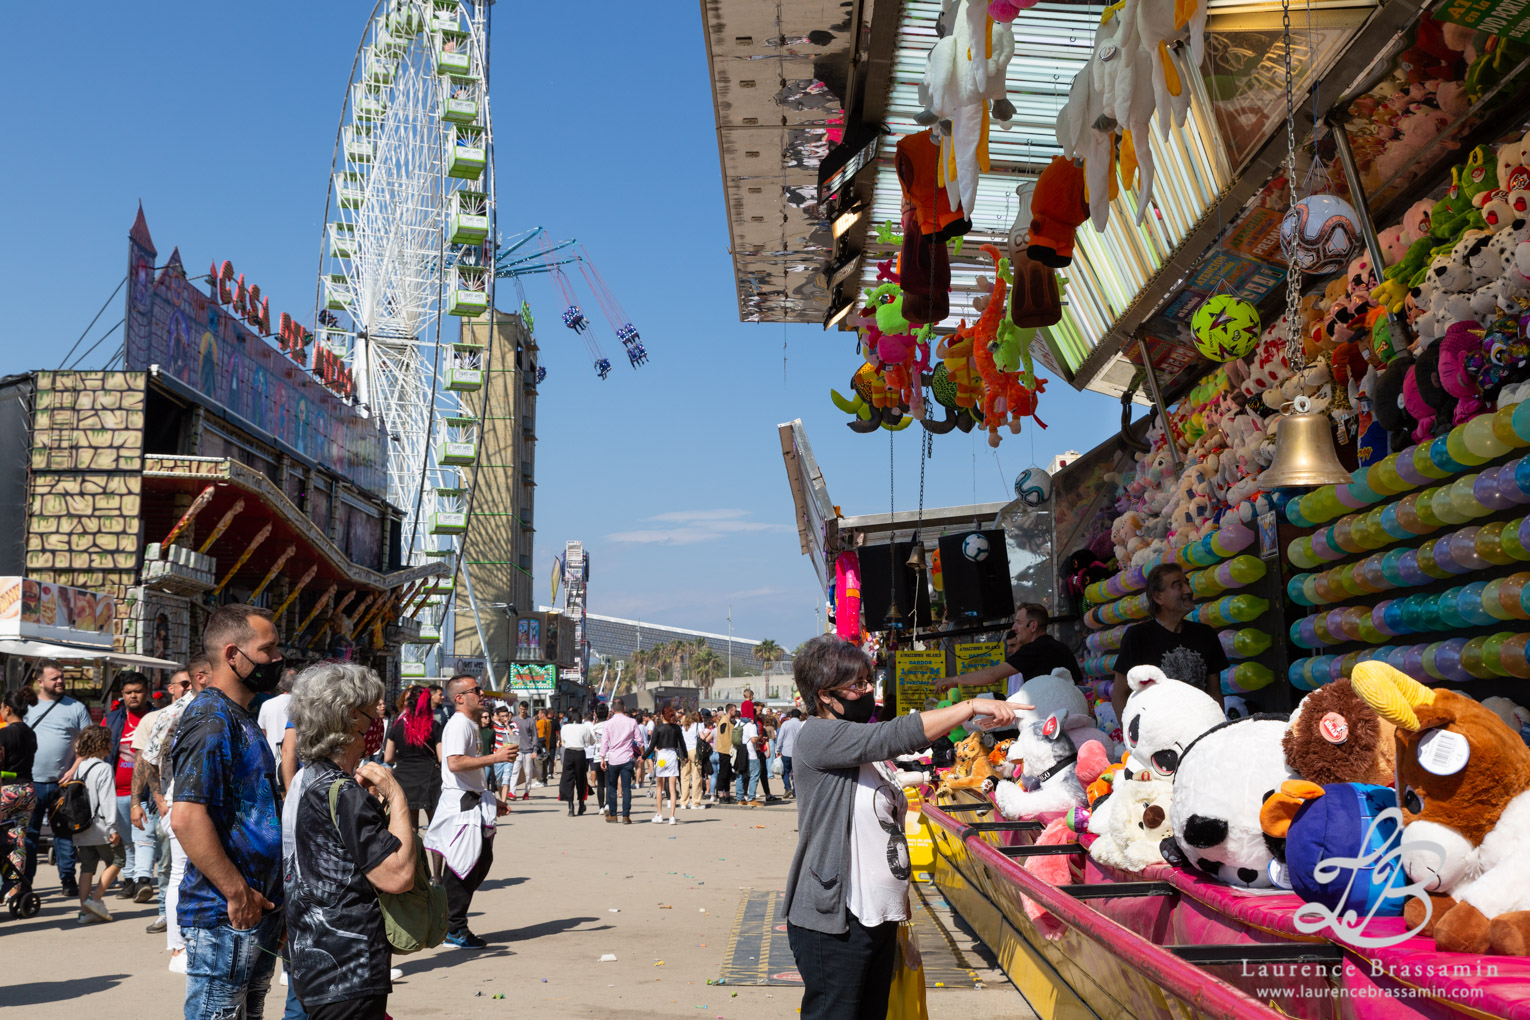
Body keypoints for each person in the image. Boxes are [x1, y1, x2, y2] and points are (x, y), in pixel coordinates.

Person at [785, 635, 1021, 1019]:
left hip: (878, 919)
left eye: (868, 680)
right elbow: (894, 734)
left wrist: (900, 922)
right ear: (825, 696)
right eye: (856, 685)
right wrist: (970, 706)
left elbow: (884, 837)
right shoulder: (818, 736)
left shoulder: (867, 756)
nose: (867, 692)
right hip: (836, 921)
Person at [284, 662, 417, 1020]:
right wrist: (397, 797)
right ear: (347, 718)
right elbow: (397, 875)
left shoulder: (310, 778)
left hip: (315, 962)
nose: (376, 723)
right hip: (349, 966)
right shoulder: (341, 791)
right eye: (370, 713)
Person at [171, 604, 286, 1019]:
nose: (276, 660)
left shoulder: (242, 716)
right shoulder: (211, 718)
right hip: (226, 911)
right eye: (267, 650)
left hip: (258, 907)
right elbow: (185, 816)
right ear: (233, 655)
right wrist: (235, 891)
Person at [426, 675, 515, 949]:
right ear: (460, 698)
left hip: (473, 801)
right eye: (477, 690)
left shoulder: (470, 725)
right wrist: (496, 758)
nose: (482, 694)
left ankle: (451, 922)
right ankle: (453, 928)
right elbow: (454, 763)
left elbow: (470, 768)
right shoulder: (458, 725)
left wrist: (489, 796)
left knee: (478, 863)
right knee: (464, 867)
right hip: (462, 807)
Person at [137, 657, 212, 966]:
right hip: (180, 801)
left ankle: (194, 944)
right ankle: (178, 947)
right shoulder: (175, 712)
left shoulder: (217, 707)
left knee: (200, 874)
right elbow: (148, 758)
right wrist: (158, 797)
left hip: (204, 801)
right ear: (202, 677)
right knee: (181, 873)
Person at [1111, 563, 1229, 719]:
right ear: (1158, 596)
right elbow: (1119, 695)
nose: (1188, 590)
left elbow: (1215, 692)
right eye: (1178, 586)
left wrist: (1217, 728)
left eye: (1186, 583)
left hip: (1201, 732)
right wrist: (1133, 739)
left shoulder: (1206, 635)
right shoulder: (1138, 637)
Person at [23, 659, 93, 896]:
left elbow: (89, 744)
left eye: (61, 677)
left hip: (63, 784)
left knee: (64, 834)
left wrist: (74, 769)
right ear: (40, 682)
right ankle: (25, 883)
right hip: (29, 782)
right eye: (54, 678)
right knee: (29, 837)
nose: (60, 681)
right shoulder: (26, 707)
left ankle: (68, 881)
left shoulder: (76, 708)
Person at [131, 667, 192, 936]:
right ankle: (164, 916)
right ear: (171, 688)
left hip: (189, 801)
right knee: (169, 864)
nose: (188, 688)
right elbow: (143, 762)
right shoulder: (157, 718)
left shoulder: (199, 713)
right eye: (184, 683)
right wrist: (142, 800)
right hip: (164, 801)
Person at [935, 603, 1083, 698]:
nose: (1014, 628)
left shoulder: (1032, 650)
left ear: (1033, 626)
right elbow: (1080, 684)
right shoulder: (1063, 648)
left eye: (1018, 623)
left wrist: (955, 679)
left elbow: (993, 674)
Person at [104, 671, 153, 902]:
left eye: (138, 691)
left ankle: (144, 880)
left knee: (143, 836)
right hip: (115, 792)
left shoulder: (157, 717)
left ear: (147, 693)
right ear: (122, 695)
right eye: (128, 692)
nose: (133, 696)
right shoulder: (112, 719)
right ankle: (130, 880)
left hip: (146, 791)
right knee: (126, 841)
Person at [70, 724, 124, 923]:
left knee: (87, 867)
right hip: (101, 826)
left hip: (82, 828)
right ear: (101, 744)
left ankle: (85, 911)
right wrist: (113, 827)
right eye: (109, 741)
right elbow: (108, 799)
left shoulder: (80, 768)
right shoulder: (104, 768)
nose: (111, 744)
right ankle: (95, 899)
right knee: (118, 860)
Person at [382, 688, 442, 828]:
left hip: (404, 777)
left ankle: (414, 850)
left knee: (410, 827)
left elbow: (388, 758)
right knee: (435, 828)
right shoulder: (434, 726)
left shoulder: (397, 726)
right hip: (429, 778)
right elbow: (441, 757)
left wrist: (403, 756)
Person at [1, 691, 38, 908]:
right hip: (28, 790)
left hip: (6, 791)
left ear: (7, 708)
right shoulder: (31, 733)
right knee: (18, 841)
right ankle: (14, 891)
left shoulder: (4, 734)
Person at [596, 698, 644, 824]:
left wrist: (602, 758)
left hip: (613, 759)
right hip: (627, 758)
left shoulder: (608, 723)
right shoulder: (632, 722)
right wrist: (642, 755)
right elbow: (639, 740)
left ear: (612, 710)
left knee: (612, 787)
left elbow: (604, 742)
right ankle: (626, 815)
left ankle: (613, 814)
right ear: (624, 708)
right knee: (626, 787)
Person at [649, 706, 685, 825]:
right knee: (672, 787)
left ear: (662, 716)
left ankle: (659, 814)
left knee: (659, 786)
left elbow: (652, 744)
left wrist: (644, 756)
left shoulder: (658, 728)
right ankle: (672, 816)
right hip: (672, 755)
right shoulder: (676, 728)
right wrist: (685, 756)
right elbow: (682, 743)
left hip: (662, 755)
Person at [558, 710, 593, 816]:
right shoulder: (584, 727)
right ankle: (581, 804)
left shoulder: (564, 727)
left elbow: (563, 740)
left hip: (568, 752)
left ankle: (570, 807)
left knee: (568, 779)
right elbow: (590, 741)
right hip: (580, 753)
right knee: (581, 779)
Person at [256, 670, 297, 761]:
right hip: (296, 759)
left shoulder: (267, 705)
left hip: (272, 757)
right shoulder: (303, 705)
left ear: (280, 685)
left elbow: (262, 734)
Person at [507, 701, 540, 799]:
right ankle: (512, 792)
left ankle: (527, 792)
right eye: (521, 709)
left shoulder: (530, 720)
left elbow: (535, 736)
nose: (523, 711)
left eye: (524, 709)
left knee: (528, 772)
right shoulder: (513, 720)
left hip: (528, 750)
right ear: (519, 708)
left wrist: (535, 750)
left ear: (527, 709)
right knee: (515, 771)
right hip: (517, 750)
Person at [735, 710, 762, 806]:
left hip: (740, 753)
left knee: (740, 776)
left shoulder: (738, 724)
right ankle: (751, 798)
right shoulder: (752, 725)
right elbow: (753, 740)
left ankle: (740, 798)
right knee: (754, 776)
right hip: (751, 754)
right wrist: (759, 737)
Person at [678, 711, 703, 810]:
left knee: (684, 777)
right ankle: (695, 802)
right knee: (696, 776)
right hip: (694, 751)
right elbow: (702, 737)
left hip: (684, 751)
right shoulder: (698, 725)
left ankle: (684, 802)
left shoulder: (683, 727)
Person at [776, 709, 803, 798]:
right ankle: (796, 792)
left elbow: (780, 738)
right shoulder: (802, 725)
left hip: (786, 751)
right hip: (798, 752)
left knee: (785, 771)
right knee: (796, 773)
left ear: (790, 715)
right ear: (799, 716)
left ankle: (787, 788)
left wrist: (778, 750)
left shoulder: (785, 724)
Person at [589, 702, 610, 813]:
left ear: (596, 715)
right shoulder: (610, 726)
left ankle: (601, 807)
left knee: (600, 784)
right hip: (609, 757)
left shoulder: (594, 728)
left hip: (597, 757)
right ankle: (608, 805)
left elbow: (591, 742)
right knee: (609, 784)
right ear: (608, 714)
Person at [490, 704, 516, 794]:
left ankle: (504, 802)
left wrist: (507, 726)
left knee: (506, 780)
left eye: (506, 715)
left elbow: (514, 738)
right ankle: (502, 800)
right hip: (497, 756)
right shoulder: (495, 725)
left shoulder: (513, 724)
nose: (505, 717)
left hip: (509, 756)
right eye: (502, 716)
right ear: (498, 716)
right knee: (499, 782)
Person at [714, 707, 735, 804]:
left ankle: (727, 794)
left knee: (728, 774)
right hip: (725, 751)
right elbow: (723, 737)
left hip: (728, 751)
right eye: (734, 710)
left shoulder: (729, 721)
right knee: (723, 773)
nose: (736, 712)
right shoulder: (724, 721)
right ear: (730, 711)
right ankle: (721, 794)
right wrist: (729, 748)